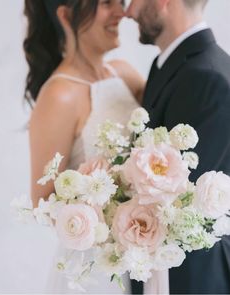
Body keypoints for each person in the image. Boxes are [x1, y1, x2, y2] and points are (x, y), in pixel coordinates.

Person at [23, 0, 145, 293]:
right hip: (95, 268)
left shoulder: (125, 73)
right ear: (66, 17)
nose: (121, 12)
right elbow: (43, 202)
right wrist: (97, 202)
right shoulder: (58, 95)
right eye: (106, 3)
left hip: (142, 253)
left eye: (121, 1)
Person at [126, 0, 230, 294]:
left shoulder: (206, 77)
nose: (129, 11)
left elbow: (182, 204)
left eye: (134, 0)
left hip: (193, 278)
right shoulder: (169, 64)